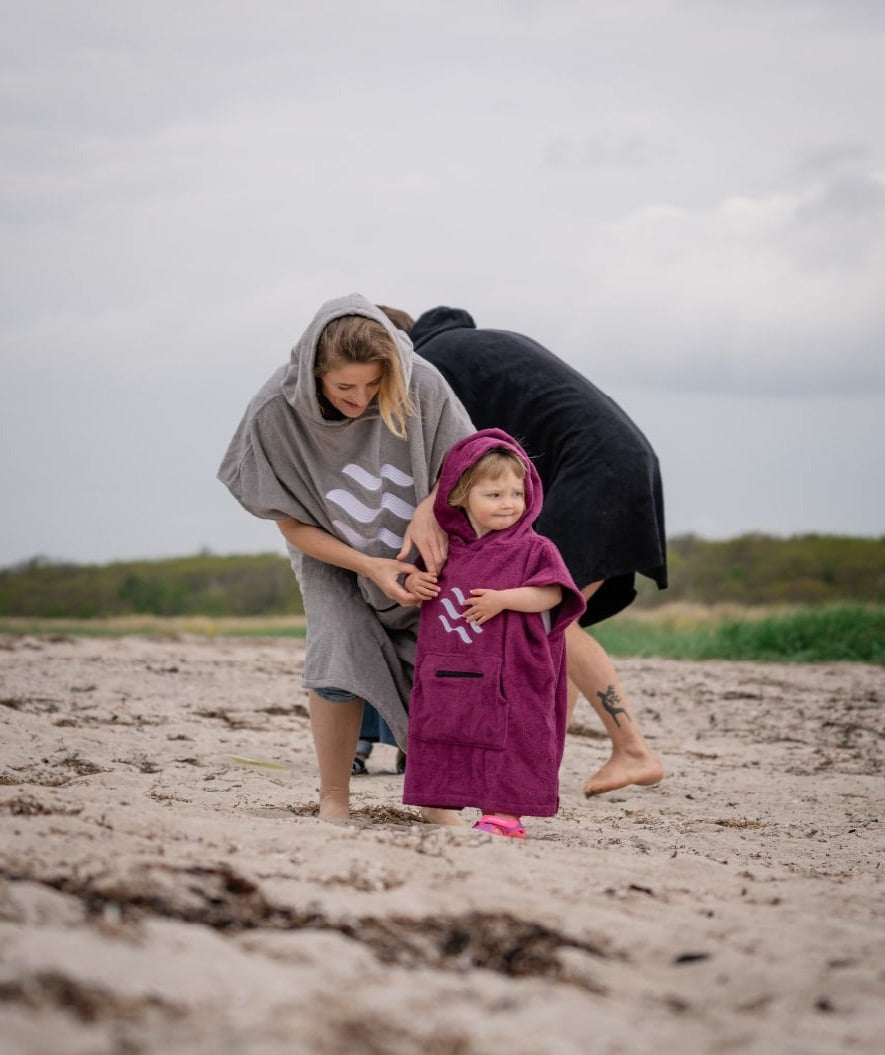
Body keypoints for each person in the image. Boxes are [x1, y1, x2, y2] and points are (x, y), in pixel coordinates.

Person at [392, 305, 668, 797]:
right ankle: (540, 760)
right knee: (549, 625)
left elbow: (462, 455)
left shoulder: (431, 360)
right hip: (627, 461)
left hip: (592, 472)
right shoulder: (489, 343)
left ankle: (632, 750)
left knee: (548, 612)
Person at [217, 294, 473, 822]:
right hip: (329, 549)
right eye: (344, 388)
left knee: (440, 653)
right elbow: (289, 522)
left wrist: (429, 508)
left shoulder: (421, 381)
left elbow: (471, 464)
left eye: (375, 385)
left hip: (424, 544)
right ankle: (334, 800)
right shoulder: (275, 411)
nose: (361, 399)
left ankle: (437, 803)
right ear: (315, 373)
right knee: (336, 645)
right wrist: (371, 566)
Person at [401, 429, 585, 837]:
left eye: (516, 494)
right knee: (450, 727)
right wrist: (415, 586)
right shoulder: (445, 546)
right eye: (494, 495)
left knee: (514, 732)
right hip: (451, 667)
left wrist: (504, 600)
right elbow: (414, 584)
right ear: (460, 494)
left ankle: (504, 814)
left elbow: (553, 593)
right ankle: (444, 797)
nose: (509, 505)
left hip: (514, 669)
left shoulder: (534, 548)